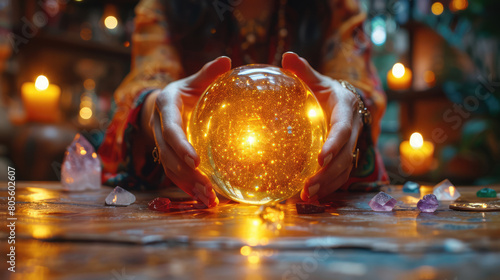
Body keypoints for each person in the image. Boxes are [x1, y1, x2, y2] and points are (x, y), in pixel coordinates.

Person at [98, 0, 389, 207]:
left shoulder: (336, 8)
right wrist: (155, 109)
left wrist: (352, 102)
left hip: (303, 218)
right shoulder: (164, 7)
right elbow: (145, 85)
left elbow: (359, 89)